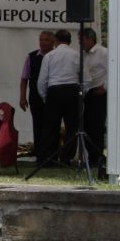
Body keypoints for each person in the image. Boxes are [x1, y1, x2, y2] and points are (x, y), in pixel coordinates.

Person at [36, 29, 80, 164]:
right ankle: (67, 158)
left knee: (50, 126)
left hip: (54, 90)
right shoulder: (77, 55)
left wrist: (45, 96)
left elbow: (42, 80)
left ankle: (47, 158)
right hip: (72, 90)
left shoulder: (49, 56)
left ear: (55, 41)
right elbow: (86, 78)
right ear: (70, 41)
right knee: (72, 126)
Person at [19, 31, 55, 158]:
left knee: (51, 126)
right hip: (35, 97)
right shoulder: (31, 56)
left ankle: (51, 154)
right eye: (41, 40)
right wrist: (22, 97)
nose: (42, 42)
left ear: (53, 42)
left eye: (46, 40)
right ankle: (40, 155)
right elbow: (24, 79)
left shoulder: (56, 56)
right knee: (38, 125)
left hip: (52, 97)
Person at [80, 27, 108, 174]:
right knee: (87, 126)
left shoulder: (103, 52)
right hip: (88, 94)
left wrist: (106, 87)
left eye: (82, 40)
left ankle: (97, 158)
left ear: (90, 39)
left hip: (99, 92)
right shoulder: (84, 55)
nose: (80, 43)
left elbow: (113, 69)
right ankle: (90, 157)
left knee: (96, 126)